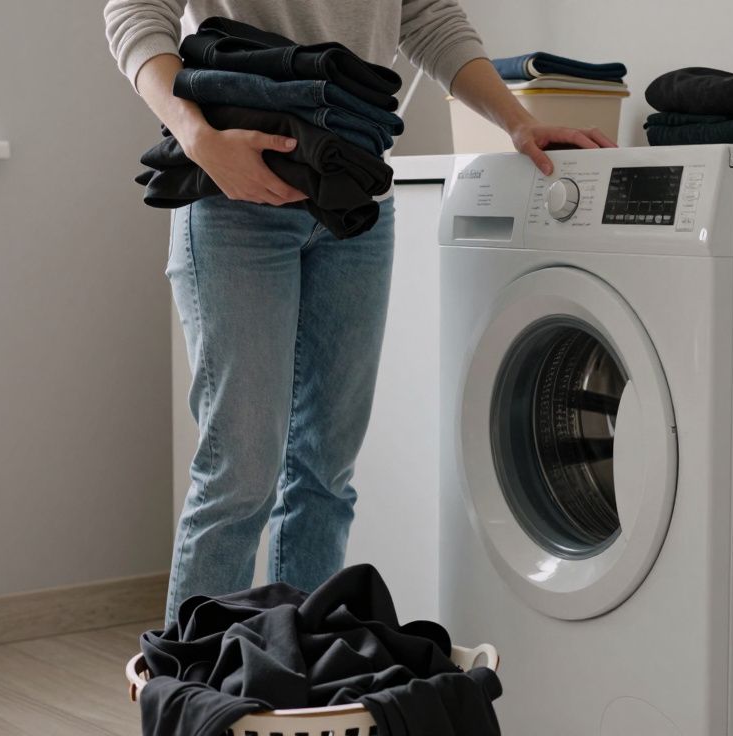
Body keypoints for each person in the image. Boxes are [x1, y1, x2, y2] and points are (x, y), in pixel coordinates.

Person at [104, 0, 616, 621]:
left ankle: (297, 675)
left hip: (354, 198)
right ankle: (196, 700)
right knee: (239, 477)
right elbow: (134, 10)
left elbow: (428, 19)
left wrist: (516, 121)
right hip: (233, 196)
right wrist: (197, 138)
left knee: (325, 475)